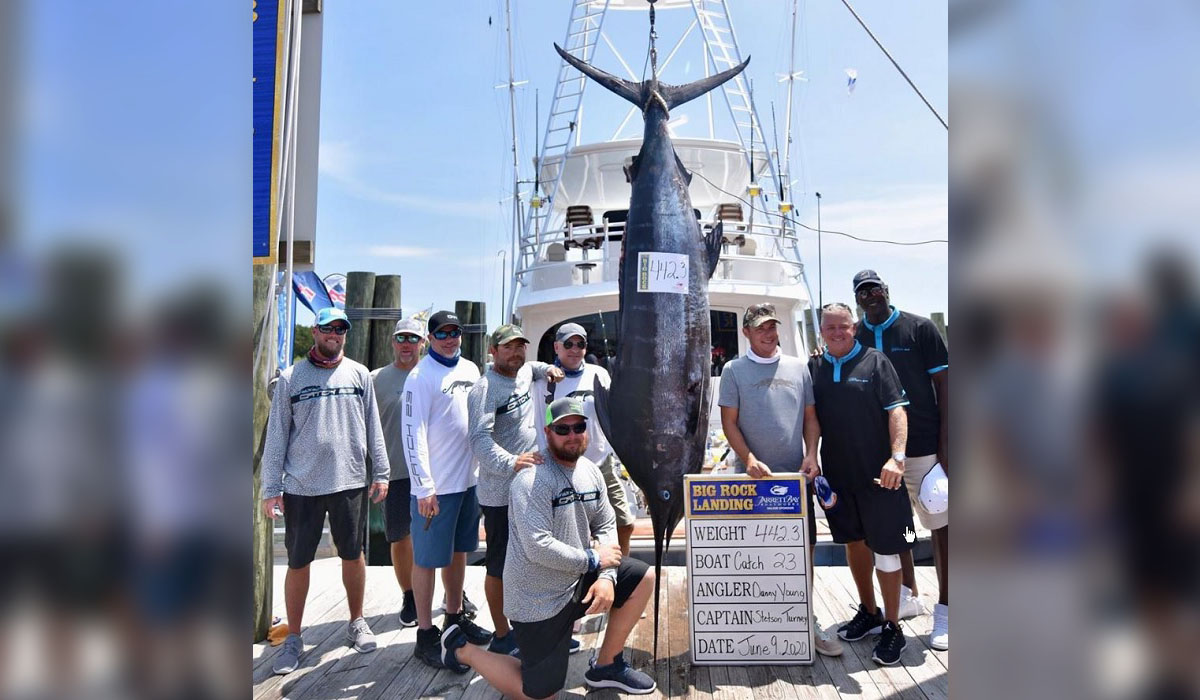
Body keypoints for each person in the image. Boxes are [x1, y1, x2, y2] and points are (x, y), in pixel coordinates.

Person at [441, 398, 657, 698]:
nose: (572, 435)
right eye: (562, 429)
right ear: (547, 431)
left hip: (577, 579)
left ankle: (606, 665)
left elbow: (607, 524)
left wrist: (607, 577)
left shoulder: (590, 471)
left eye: (578, 427)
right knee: (541, 696)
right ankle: (461, 649)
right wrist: (595, 558)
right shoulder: (531, 479)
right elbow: (537, 546)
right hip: (537, 599)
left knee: (643, 577)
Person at [260, 307, 390, 675]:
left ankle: (356, 621)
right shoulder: (290, 378)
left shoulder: (359, 374)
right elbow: (276, 437)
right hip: (301, 485)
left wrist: (381, 472)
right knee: (298, 561)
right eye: (329, 328)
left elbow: (373, 428)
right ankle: (295, 637)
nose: (335, 334)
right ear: (315, 331)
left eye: (341, 329)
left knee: (353, 553)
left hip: (349, 480)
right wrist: (271, 488)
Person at [718, 302, 844, 658]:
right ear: (746, 333)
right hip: (751, 483)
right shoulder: (732, 370)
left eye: (772, 327)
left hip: (794, 482)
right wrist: (749, 459)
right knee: (753, 556)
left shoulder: (798, 367)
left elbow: (810, 419)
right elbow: (729, 422)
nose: (769, 334)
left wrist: (811, 454)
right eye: (761, 329)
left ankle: (806, 621)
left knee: (804, 552)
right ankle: (758, 628)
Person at [808, 302, 914, 666]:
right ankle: (868, 611)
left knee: (886, 549)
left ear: (854, 327)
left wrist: (896, 458)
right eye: (829, 328)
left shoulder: (875, 361)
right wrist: (812, 455)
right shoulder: (815, 366)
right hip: (838, 475)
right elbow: (813, 419)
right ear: (821, 331)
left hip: (879, 476)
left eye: (843, 326)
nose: (836, 333)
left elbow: (898, 410)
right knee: (853, 543)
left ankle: (892, 626)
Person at [852, 270, 949, 650]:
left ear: (887, 291)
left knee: (942, 527)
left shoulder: (920, 329)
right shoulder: (855, 334)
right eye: (864, 292)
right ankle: (909, 594)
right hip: (881, 453)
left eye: (876, 289)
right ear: (858, 299)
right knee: (898, 527)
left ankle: (947, 610)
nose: (872, 295)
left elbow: (946, 388)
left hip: (924, 445)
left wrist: (947, 448)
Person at [401, 310, 493, 667]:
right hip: (435, 490)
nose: (451, 338)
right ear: (430, 337)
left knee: (459, 553)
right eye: (443, 333)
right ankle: (425, 634)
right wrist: (424, 487)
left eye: (455, 332)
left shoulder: (471, 369)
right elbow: (413, 434)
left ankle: (454, 617)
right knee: (426, 560)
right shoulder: (420, 376)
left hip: (469, 483)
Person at [467, 324, 564, 656]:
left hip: (531, 488)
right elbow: (479, 440)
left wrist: (548, 368)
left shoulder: (525, 371)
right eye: (508, 347)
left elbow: (535, 368)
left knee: (535, 558)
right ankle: (502, 634)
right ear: (493, 351)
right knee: (499, 565)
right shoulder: (484, 388)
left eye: (521, 346)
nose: (516, 352)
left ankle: (535, 627)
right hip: (499, 494)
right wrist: (512, 462)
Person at [532, 323, 636, 555]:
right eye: (568, 344)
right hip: (562, 467)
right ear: (556, 347)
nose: (575, 349)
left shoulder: (599, 373)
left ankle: (618, 574)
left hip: (601, 464)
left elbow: (614, 414)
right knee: (573, 533)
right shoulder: (543, 381)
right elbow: (539, 422)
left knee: (625, 524)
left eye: (580, 344)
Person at [369, 316, 425, 627]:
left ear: (423, 343)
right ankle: (410, 595)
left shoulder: (433, 373)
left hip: (432, 473)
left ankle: (450, 595)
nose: (406, 344)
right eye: (401, 338)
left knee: (438, 537)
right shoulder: (375, 378)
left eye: (413, 338)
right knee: (400, 537)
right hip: (396, 473)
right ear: (393, 342)